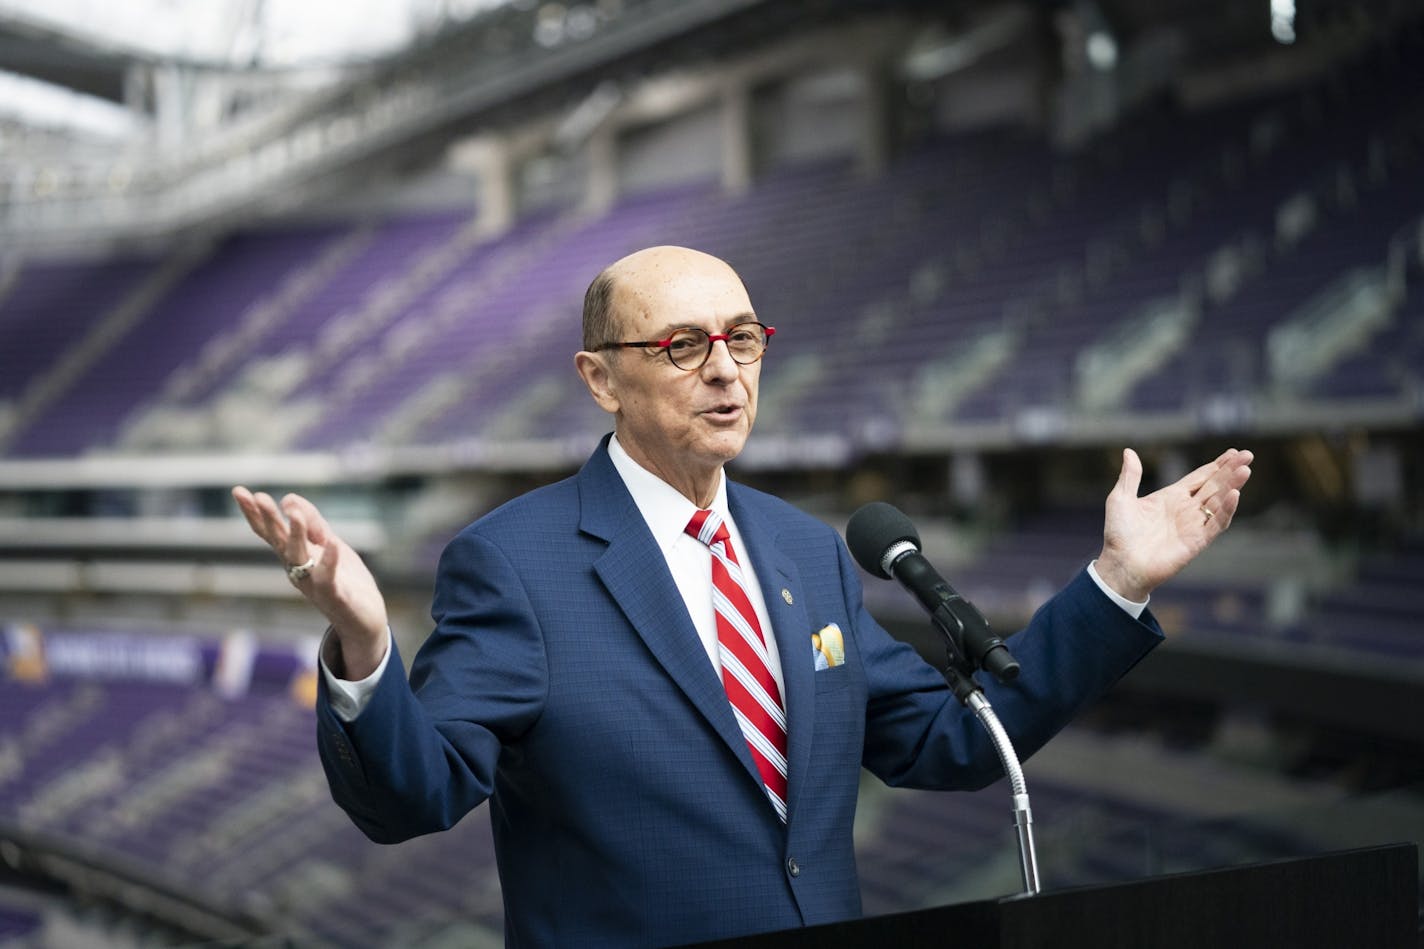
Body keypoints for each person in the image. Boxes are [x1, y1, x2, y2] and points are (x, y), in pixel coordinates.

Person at [233, 245, 1252, 948]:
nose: (724, 371)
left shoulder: (803, 553)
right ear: (599, 377)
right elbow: (414, 795)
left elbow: (945, 742)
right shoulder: (513, 563)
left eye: (742, 338)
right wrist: (364, 644)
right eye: (682, 345)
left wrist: (1114, 582)